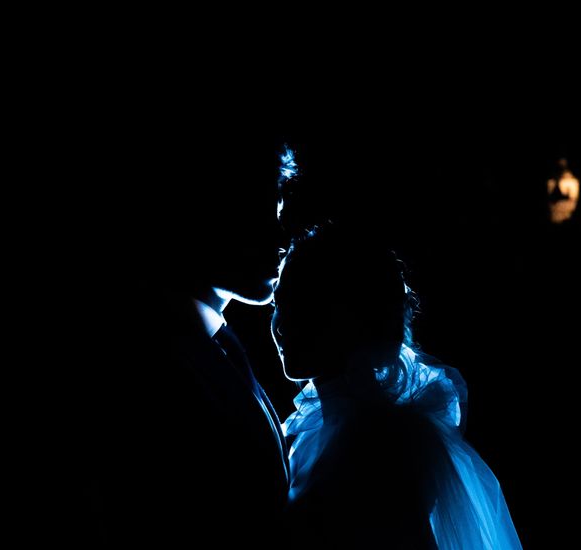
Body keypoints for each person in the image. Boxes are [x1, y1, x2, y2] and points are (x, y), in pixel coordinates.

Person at [92, 119, 294, 545]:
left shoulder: (217, 343)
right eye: (259, 214)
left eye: (278, 215)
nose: (282, 238)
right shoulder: (151, 360)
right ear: (202, 213)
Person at [272, 226, 522, 549]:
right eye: (279, 303)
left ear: (348, 315)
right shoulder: (317, 430)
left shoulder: (381, 443)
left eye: (304, 305)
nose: (281, 324)